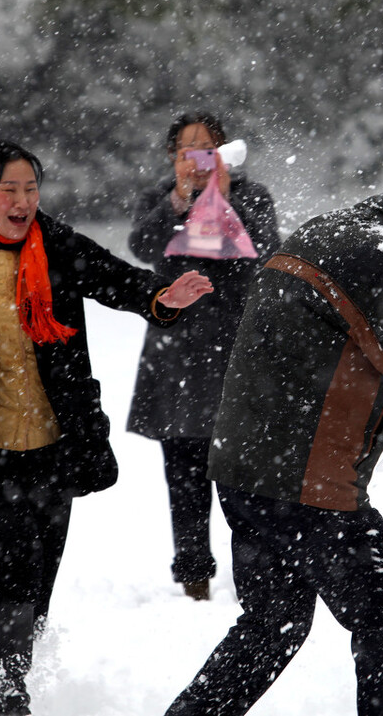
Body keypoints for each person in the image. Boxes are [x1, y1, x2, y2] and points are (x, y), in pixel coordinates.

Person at [0, 139, 211, 716]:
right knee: (16, 553)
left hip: (56, 445)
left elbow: (116, 278)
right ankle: (9, 694)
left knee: (41, 573)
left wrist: (162, 295)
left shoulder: (54, 243)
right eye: (8, 190)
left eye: (30, 189)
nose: (21, 201)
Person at [165, 182, 383, 716]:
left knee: (272, 624)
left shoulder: (326, 231)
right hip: (308, 482)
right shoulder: (381, 254)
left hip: (245, 469)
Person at [126, 111, 280, 601]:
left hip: (236, 347)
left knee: (243, 474)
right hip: (177, 353)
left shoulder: (250, 195)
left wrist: (225, 196)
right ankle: (194, 576)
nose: (197, 161)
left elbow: (267, 251)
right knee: (184, 470)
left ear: (225, 152)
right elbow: (143, 247)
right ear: (173, 158)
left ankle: (256, 577)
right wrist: (179, 200)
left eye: (206, 149)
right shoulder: (160, 199)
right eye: (186, 151)